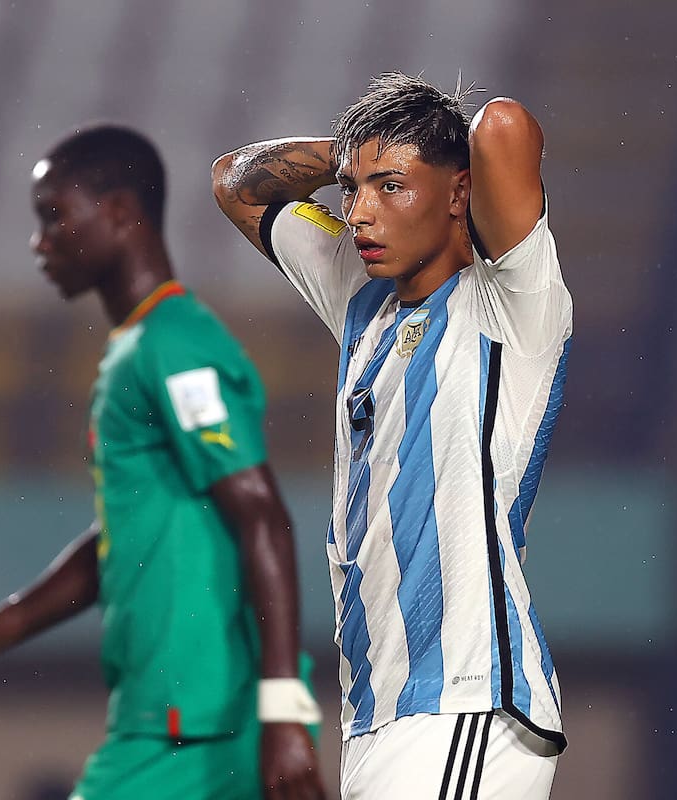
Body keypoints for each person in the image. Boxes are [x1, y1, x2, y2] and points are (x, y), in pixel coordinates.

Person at [0, 124, 325, 800]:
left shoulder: (175, 345)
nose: (40, 242)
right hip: (178, 714)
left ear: (120, 211)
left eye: (54, 216)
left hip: (202, 720)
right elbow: (125, 539)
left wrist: (283, 713)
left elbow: (262, 513)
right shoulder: (140, 348)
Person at [212, 73, 572, 799]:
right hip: (381, 716)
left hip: (466, 700)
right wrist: (357, 153)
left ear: (457, 193)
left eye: (391, 187)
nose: (359, 214)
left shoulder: (512, 307)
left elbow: (502, 126)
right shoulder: (359, 297)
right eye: (351, 190)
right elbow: (235, 182)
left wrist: (428, 135)